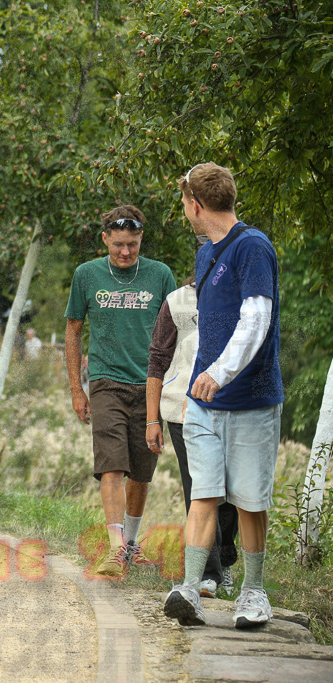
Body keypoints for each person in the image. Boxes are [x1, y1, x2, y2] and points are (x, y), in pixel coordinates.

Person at [163, 162, 283, 629]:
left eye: (184, 204)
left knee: (251, 502)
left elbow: (256, 320)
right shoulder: (206, 253)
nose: (185, 211)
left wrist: (219, 372)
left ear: (195, 205)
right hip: (203, 404)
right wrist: (199, 382)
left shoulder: (253, 248)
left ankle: (254, 592)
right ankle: (190, 589)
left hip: (251, 401)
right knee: (205, 494)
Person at [64, 206, 177, 578]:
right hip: (105, 381)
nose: (125, 252)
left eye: (132, 244)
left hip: (150, 385)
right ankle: (115, 549)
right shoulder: (86, 275)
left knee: (141, 473)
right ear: (105, 239)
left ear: (141, 239)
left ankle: (130, 543)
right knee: (111, 464)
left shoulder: (160, 275)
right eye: (118, 245)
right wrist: (77, 389)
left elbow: (177, 330)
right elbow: (73, 332)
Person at [148, 276, 240, 598]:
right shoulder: (177, 301)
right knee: (200, 490)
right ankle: (207, 574)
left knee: (230, 494)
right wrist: (152, 418)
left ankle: (224, 559)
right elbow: (157, 359)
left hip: (232, 406)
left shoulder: (243, 297)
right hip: (182, 408)